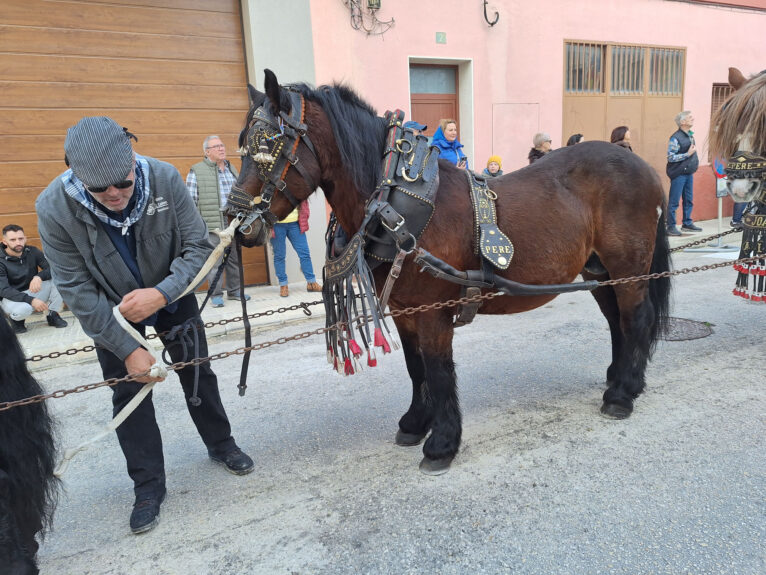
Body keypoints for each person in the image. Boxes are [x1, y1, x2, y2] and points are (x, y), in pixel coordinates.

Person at [36, 116, 254, 535]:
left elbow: (197, 246)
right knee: (128, 394)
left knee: (198, 374)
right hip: (110, 311)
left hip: (171, 293)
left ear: (133, 159)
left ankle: (221, 444)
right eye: (101, 189)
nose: (115, 194)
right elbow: (76, 288)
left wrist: (164, 293)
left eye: (123, 182)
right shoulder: (52, 207)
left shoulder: (165, 177)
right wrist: (127, 348)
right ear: (75, 173)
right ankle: (148, 486)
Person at [186, 135, 250, 308]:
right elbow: (190, 201)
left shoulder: (232, 169)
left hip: (233, 223)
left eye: (222, 145)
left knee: (234, 260)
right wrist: (198, 226)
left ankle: (235, 291)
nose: (222, 148)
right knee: (214, 261)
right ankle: (215, 294)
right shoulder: (197, 170)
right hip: (212, 224)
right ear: (207, 152)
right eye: (216, 146)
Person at [1, 224, 67, 334]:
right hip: (10, 298)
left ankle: (53, 315)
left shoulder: (32, 251)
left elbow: (53, 269)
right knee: (24, 309)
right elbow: (3, 290)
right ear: (5, 242)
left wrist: (38, 277)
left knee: (58, 279)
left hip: (32, 291)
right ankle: (16, 321)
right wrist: (32, 300)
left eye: (20, 238)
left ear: (25, 238)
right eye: (13, 240)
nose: (18, 243)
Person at [272, 202, 322, 297]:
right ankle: (283, 285)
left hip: (295, 224)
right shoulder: (273, 187)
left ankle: (311, 283)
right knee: (279, 256)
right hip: (276, 224)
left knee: (305, 254)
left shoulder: (295, 186)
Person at [666, 111, 701, 235]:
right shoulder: (675, 138)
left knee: (688, 199)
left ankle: (687, 223)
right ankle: (670, 226)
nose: (692, 118)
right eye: (689, 117)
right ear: (682, 122)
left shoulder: (689, 135)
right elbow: (670, 157)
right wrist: (688, 154)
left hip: (688, 173)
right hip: (678, 173)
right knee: (674, 201)